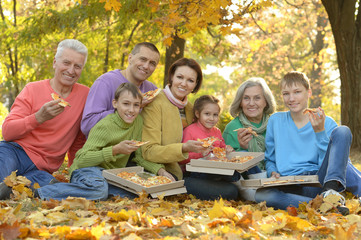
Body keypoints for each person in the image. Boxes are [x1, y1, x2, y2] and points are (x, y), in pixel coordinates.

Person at [36, 83, 174, 200]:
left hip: (110, 175)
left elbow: (139, 156)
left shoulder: (137, 122)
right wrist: (115, 150)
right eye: (126, 104)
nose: (131, 110)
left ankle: (75, 189)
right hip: (86, 170)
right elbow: (81, 159)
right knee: (99, 190)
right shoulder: (105, 126)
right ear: (115, 103)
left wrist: (161, 172)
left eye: (136, 105)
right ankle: (45, 192)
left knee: (137, 193)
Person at [255, 71, 361, 215]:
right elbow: (270, 158)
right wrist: (272, 170)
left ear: (309, 92)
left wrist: (319, 132)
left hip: (318, 181)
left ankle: (328, 193)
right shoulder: (275, 120)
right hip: (290, 184)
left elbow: (333, 165)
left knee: (343, 131)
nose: (291, 98)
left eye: (297, 92)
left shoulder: (326, 122)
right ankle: (324, 205)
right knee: (262, 195)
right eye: (286, 93)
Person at [0, 39, 90, 199]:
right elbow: (7, 132)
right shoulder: (32, 89)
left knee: (59, 190)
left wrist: (73, 171)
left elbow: (78, 140)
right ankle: (8, 188)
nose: (71, 70)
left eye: (77, 66)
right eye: (67, 63)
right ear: (55, 63)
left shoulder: (85, 95)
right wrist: (38, 117)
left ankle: (12, 189)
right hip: (15, 153)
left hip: (42, 170)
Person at [141, 58, 206, 181]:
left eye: (190, 80)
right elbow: (148, 151)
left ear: (195, 84)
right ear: (171, 77)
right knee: (228, 191)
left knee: (230, 183)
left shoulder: (191, 109)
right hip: (166, 171)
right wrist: (183, 148)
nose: (184, 84)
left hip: (193, 167)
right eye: (180, 77)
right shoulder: (155, 103)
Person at [81, 42, 160, 137]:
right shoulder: (106, 82)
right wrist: (133, 107)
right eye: (143, 59)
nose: (146, 66)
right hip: (104, 149)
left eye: (152, 63)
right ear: (130, 58)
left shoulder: (152, 90)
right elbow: (88, 125)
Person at [180, 95, 240, 200]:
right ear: (198, 114)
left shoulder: (216, 131)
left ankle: (223, 182)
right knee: (232, 191)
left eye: (215, 115)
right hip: (196, 173)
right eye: (207, 114)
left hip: (216, 169)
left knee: (235, 174)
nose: (211, 118)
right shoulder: (190, 131)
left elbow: (221, 148)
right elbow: (182, 158)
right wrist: (201, 154)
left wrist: (227, 149)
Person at [223, 77, 276, 170]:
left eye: (257, 98)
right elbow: (225, 165)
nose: (251, 103)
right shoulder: (232, 128)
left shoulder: (275, 124)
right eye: (246, 98)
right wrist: (243, 150)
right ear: (240, 102)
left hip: (275, 176)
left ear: (266, 102)